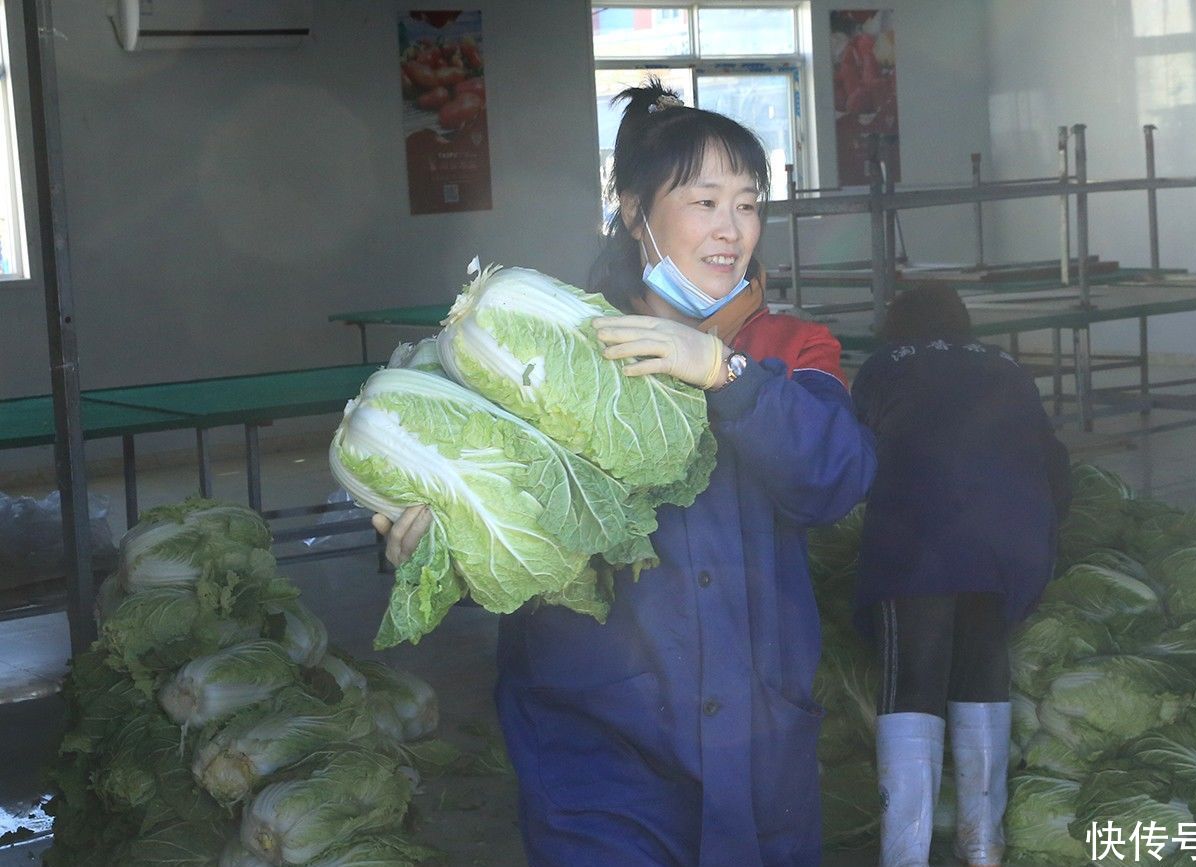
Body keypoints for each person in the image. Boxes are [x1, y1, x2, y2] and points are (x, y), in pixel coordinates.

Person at [375, 79, 876, 866]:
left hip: (756, 736)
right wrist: (439, 548)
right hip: (598, 741)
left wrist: (725, 372)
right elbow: (517, 534)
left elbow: (834, 476)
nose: (732, 229)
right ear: (639, 212)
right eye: (705, 201)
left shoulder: (787, 346)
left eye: (748, 204)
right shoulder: (550, 353)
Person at [849, 286, 1070, 867]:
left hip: (919, 541)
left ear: (894, 326)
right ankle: (982, 843)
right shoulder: (1005, 364)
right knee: (981, 678)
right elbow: (1054, 460)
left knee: (912, 689)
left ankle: (906, 854)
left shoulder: (883, 365)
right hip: (1007, 543)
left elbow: (851, 456)